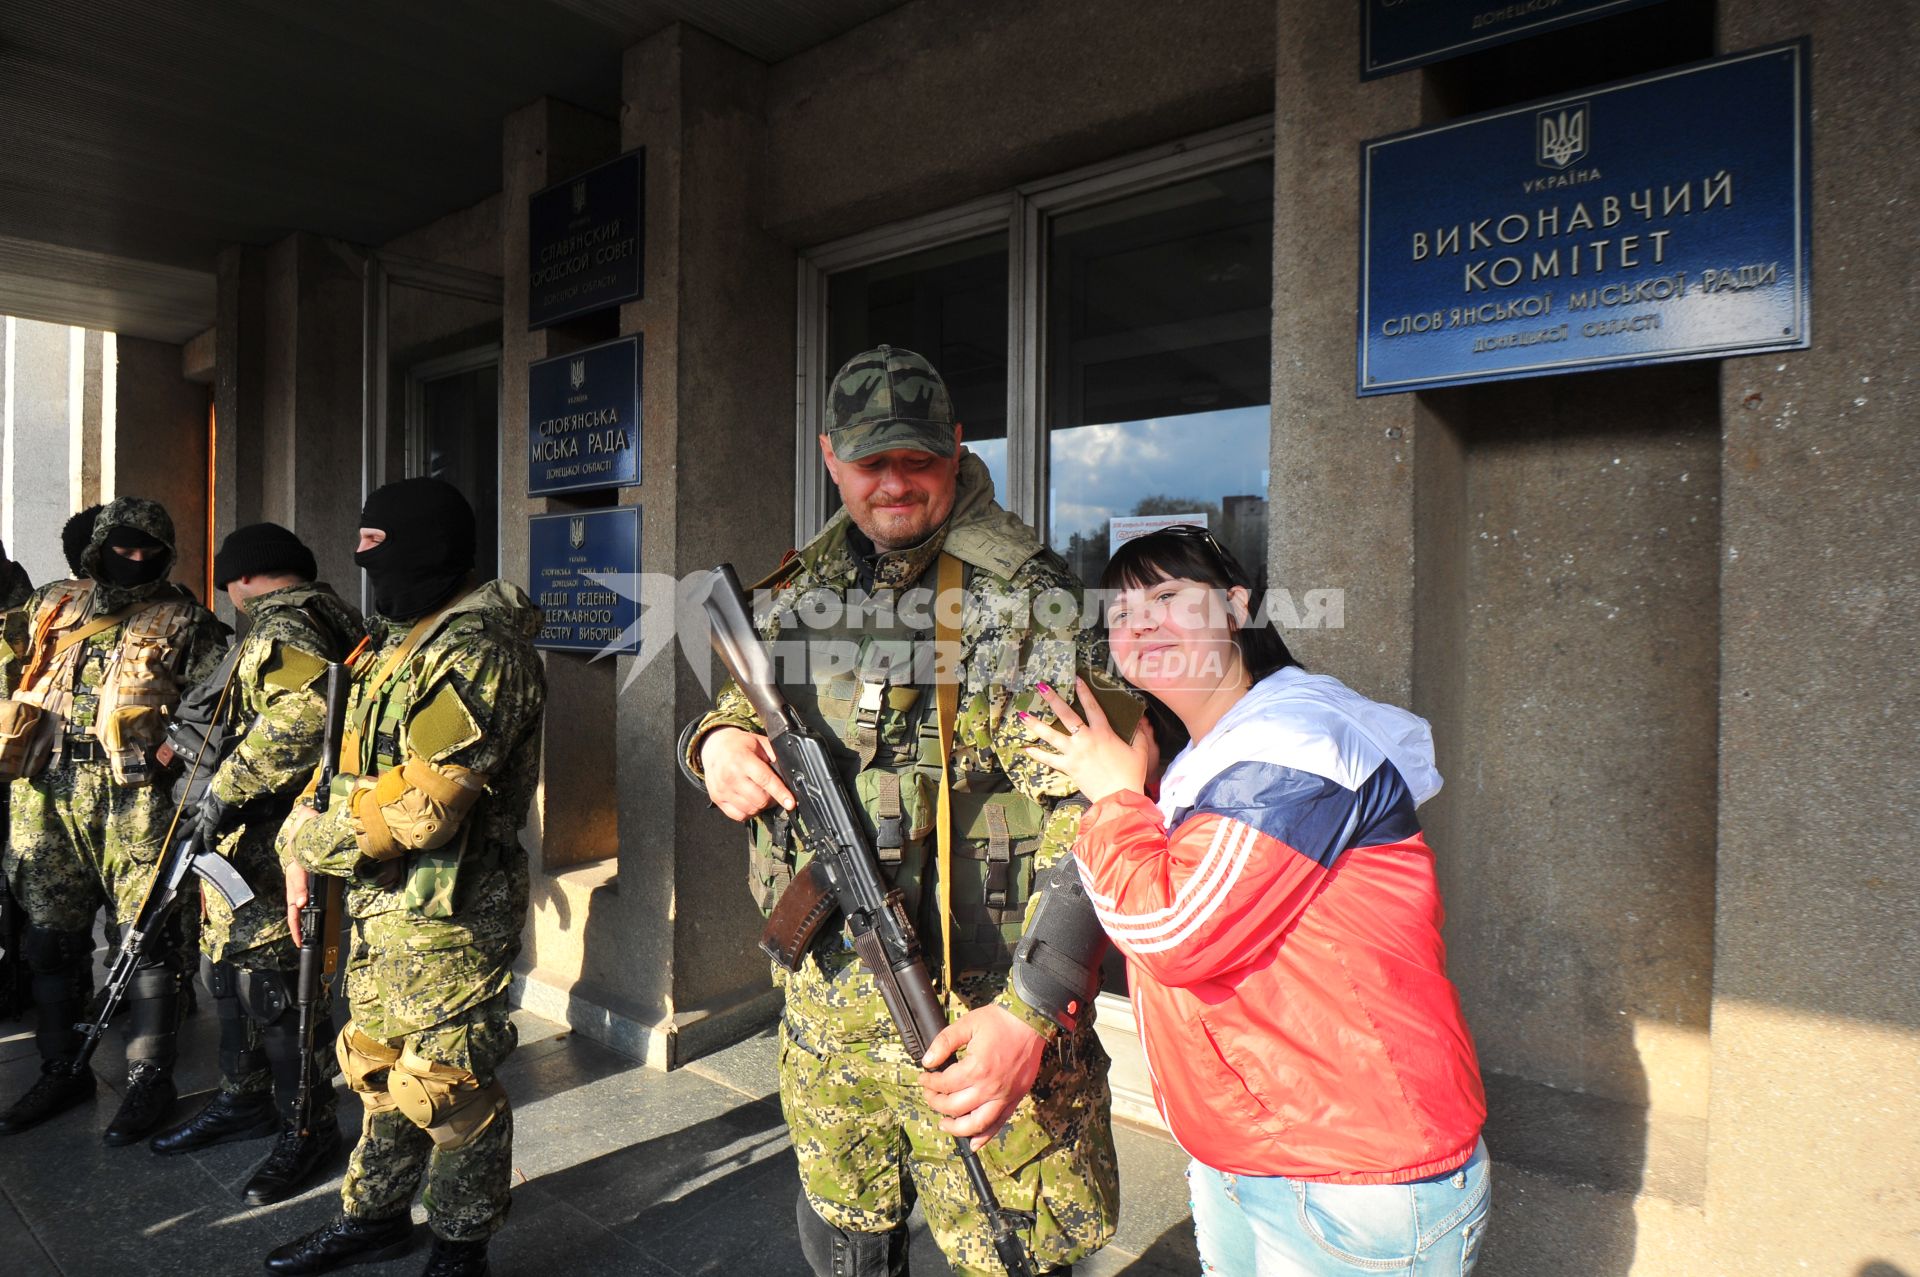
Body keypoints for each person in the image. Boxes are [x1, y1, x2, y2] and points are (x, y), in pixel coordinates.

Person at [682, 345, 1120, 1276]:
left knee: (1012, 1253)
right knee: (844, 1233)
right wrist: (715, 747)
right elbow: (742, 704)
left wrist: (1032, 1014)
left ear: (956, 449)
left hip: (978, 1014)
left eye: (917, 459)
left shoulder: (1023, 602)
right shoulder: (805, 588)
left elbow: (1104, 814)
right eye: (871, 461)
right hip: (829, 1009)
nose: (894, 484)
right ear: (831, 456)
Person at [1021, 526, 1491, 1276]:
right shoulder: (1214, 752)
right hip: (1261, 1156)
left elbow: (1171, 928)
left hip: (1351, 1176)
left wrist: (1113, 795)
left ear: (1235, 606)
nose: (1139, 622)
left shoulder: (1293, 742)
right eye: (1119, 612)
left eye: (1168, 596)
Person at [267, 478, 544, 1277]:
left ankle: (462, 1245)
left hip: (455, 912)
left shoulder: (480, 651)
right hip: (383, 902)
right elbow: (339, 769)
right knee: (376, 1067)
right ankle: (374, 1215)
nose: (367, 570)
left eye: (378, 550)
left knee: (446, 1087)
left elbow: (418, 810)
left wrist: (307, 842)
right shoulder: (391, 644)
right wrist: (297, 848)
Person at [147, 523, 365, 1206]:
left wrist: (222, 793)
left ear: (242, 580)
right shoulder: (327, 614)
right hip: (267, 837)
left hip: (273, 840)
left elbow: (301, 716)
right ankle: (245, 1100)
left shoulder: (286, 625)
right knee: (236, 973)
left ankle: (308, 1128)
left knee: (274, 989)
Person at [0, 497, 228, 1141]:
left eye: (148, 550)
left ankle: (147, 1080)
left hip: (138, 799)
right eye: (122, 547)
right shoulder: (50, 603)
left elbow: (221, 703)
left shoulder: (187, 618)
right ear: (98, 547)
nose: (135, 559)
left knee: (148, 942)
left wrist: (180, 756)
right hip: (44, 793)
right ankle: (60, 1068)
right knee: (50, 938)